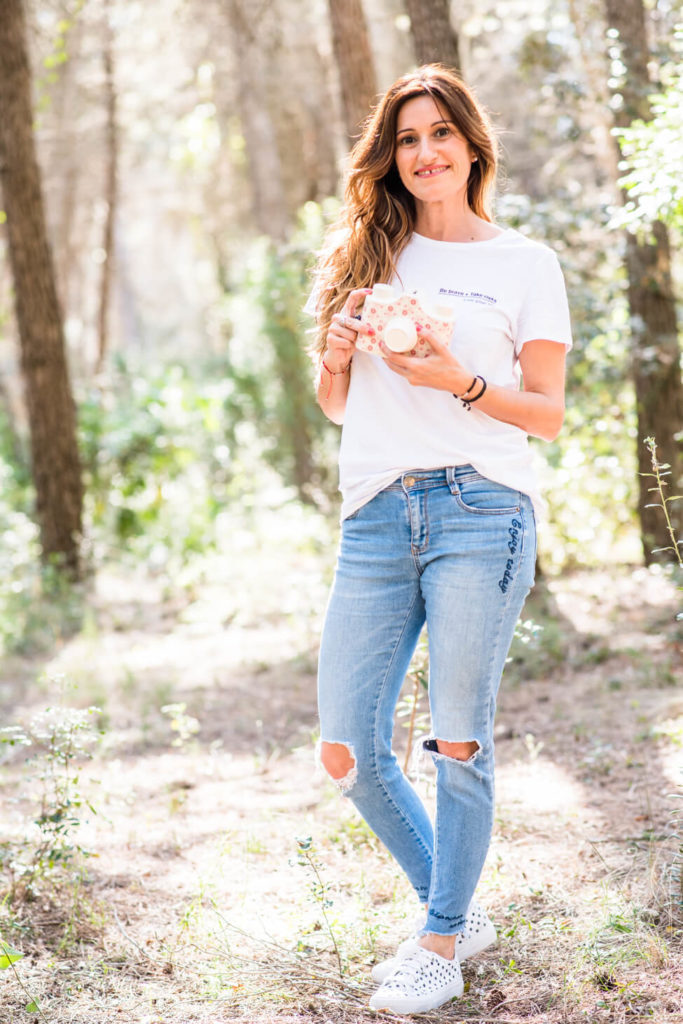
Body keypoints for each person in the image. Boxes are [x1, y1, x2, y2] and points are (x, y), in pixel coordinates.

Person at [305, 64, 572, 1015]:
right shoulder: (363, 253)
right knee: (345, 746)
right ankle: (449, 904)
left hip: (481, 512)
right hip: (375, 514)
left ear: (471, 145)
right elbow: (338, 407)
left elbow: (544, 416)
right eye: (405, 139)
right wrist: (336, 353)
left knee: (454, 740)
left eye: (439, 135)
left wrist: (454, 381)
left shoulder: (524, 265)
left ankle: (440, 940)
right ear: (391, 156)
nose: (423, 154)